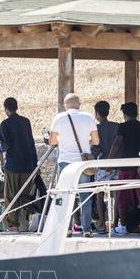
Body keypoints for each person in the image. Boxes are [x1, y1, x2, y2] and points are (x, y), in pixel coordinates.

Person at [49, 94, 99, 237]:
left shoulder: (59, 118)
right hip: (82, 162)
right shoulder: (88, 117)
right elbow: (95, 141)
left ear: (65, 105)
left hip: (65, 161)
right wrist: (85, 142)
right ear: (79, 103)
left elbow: (52, 141)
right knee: (85, 196)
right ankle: (87, 229)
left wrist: (64, 141)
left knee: (65, 195)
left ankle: (67, 229)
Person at [107, 102, 140, 236]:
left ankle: (123, 226)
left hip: (125, 166)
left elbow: (117, 143)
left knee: (122, 197)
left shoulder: (122, 127)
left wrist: (109, 160)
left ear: (124, 114)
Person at [0, 97, 39, 232]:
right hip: (28, 165)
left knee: (11, 196)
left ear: (6, 109)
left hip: (13, 166)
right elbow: (31, 144)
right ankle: (33, 214)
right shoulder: (26, 122)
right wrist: (35, 164)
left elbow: (5, 146)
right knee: (25, 195)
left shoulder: (5, 124)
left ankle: (13, 226)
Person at [92, 100, 119, 232]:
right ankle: (116, 224)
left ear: (97, 113)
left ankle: (102, 223)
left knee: (99, 195)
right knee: (117, 195)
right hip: (116, 165)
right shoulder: (116, 126)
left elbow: (94, 149)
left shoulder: (95, 129)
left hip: (102, 164)